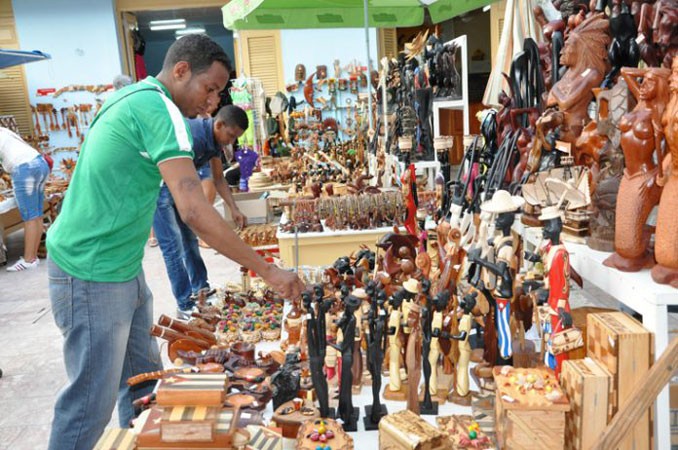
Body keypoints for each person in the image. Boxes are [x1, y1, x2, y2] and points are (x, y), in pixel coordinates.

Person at [45, 34, 304, 450]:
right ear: (181, 70)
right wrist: (268, 270)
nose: (213, 102)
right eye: (210, 88)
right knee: (88, 405)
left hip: (120, 269)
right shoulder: (156, 107)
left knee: (145, 387)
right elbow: (195, 211)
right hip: (90, 271)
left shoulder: (141, 99)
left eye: (220, 92)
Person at [153, 105, 249, 317]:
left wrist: (234, 208)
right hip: (157, 187)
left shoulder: (215, 139)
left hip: (176, 186)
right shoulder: (194, 136)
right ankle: (185, 304)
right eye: (231, 135)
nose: (231, 142)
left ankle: (201, 290)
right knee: (173, 246)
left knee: (189, 239)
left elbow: (218, 177)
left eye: (236, 138)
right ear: (219, 124)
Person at [0, 128, 50, 271]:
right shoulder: (4, 131)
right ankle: (32, 257)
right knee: (37, 214)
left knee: (29, 216)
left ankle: (28, 260)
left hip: (25, 168)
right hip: (39, 163)